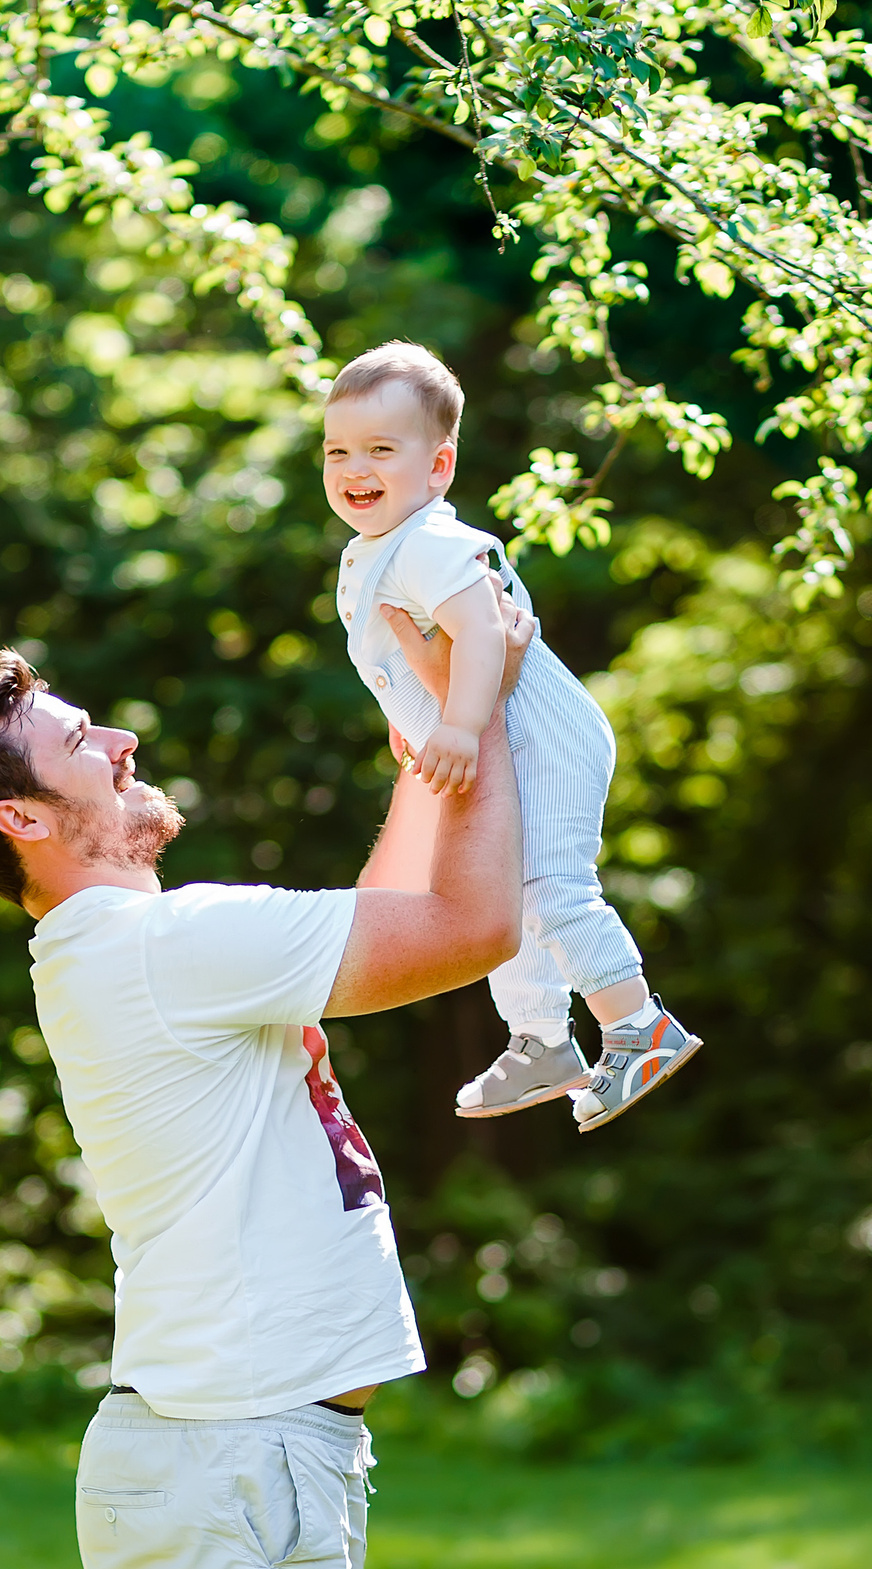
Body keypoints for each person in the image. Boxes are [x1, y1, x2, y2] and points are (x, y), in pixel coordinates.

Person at [0, 593, 534, 1569]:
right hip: (237, 1461)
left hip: (231, 1461)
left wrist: (435, 752)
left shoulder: (139, 949)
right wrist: (484, 713)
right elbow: (470, 928)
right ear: (22, 820)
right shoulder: (164, 948)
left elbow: (383, 917)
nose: (121, 738)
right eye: (82, 742)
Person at [321, 338, 702, 1129]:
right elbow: (416, 655)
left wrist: (459, 723)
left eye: (381, 449)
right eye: (338, 451)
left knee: (549, 884)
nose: (355, 467)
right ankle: (541, 1039)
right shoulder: (378, 550)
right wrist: (415, 724)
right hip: (494, 745)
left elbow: (486, 633)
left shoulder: (430, 542)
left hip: (541, 740)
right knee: (504, 890)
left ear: (438, 467)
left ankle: (639, 1026)